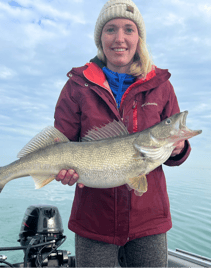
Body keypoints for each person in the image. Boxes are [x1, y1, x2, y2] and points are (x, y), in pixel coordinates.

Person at [54, 0, 191, 267]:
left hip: (149, 219)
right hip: (93, 219)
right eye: (110, 29)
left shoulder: (161, 86)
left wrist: (178, 147)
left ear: (139, 37)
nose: (120, 38)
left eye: (129, 29)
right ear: (100, 38)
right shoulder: (76, 86)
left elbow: (176, 155)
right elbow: (61, 143)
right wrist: (62, 171)